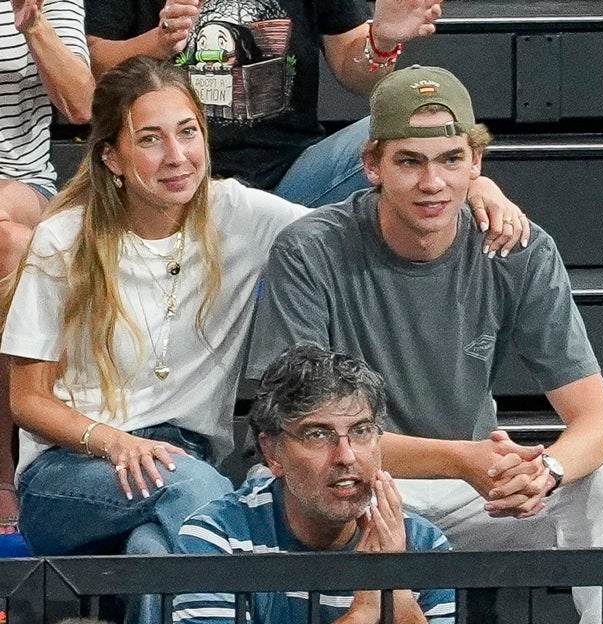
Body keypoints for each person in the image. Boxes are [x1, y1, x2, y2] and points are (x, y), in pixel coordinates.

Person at [246, 64, 603, 623]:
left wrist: (543, 474)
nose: (433, 183)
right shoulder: (311, 250)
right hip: (360, 478)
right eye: (410, 162)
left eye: (450, 160)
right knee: (285, 480)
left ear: (475, 164)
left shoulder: (516, 248)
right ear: (371, 165)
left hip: (475, 492)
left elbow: (602, 425)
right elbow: (305, 431)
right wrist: (463, 459)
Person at [0, 55, 309, 622]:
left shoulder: (239, 214)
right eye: (150, 139)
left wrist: (479, 186)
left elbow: (354, 226)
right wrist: (115, 442)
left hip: (181, 460)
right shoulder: (62, 240)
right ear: (112, 157)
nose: (177, 156)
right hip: (70, 473)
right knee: (205, 500)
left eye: (188, 132)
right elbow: (27, 399)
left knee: (156, 557)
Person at [83, 0, 529, 256]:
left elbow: (356, 73)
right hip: (172, 186)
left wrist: (382, 39)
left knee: (403, 123)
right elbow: (94, 67)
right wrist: (158, 43)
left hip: (293, 184)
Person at [173, 343, 456, 624]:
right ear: (273, 453)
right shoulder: (220, 537)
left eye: (361, 431)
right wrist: (363, 612)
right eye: (318, 435)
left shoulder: (423, 544)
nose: (346, 456)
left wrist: (397, 584)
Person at [0, 0, 94, 541]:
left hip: (20, 182)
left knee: (10, 241)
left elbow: (81, 104)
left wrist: (33, 23)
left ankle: (4, 465)